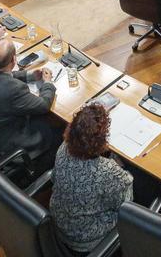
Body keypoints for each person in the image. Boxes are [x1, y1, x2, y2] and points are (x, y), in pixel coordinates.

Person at [50, 103, 133, 253]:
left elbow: (54, 179)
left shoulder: (63, 148)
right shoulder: (108, 172)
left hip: (59, 223)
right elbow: (125, 205)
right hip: (86, 239)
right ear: (101, 140)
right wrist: (123, 171)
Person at [0, 39, 61, 169]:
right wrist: (48, 83)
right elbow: (44, 105)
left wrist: (29, 75)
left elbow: (1, 74)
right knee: (57, 130)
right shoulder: (13, 89)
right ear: (14, 60)